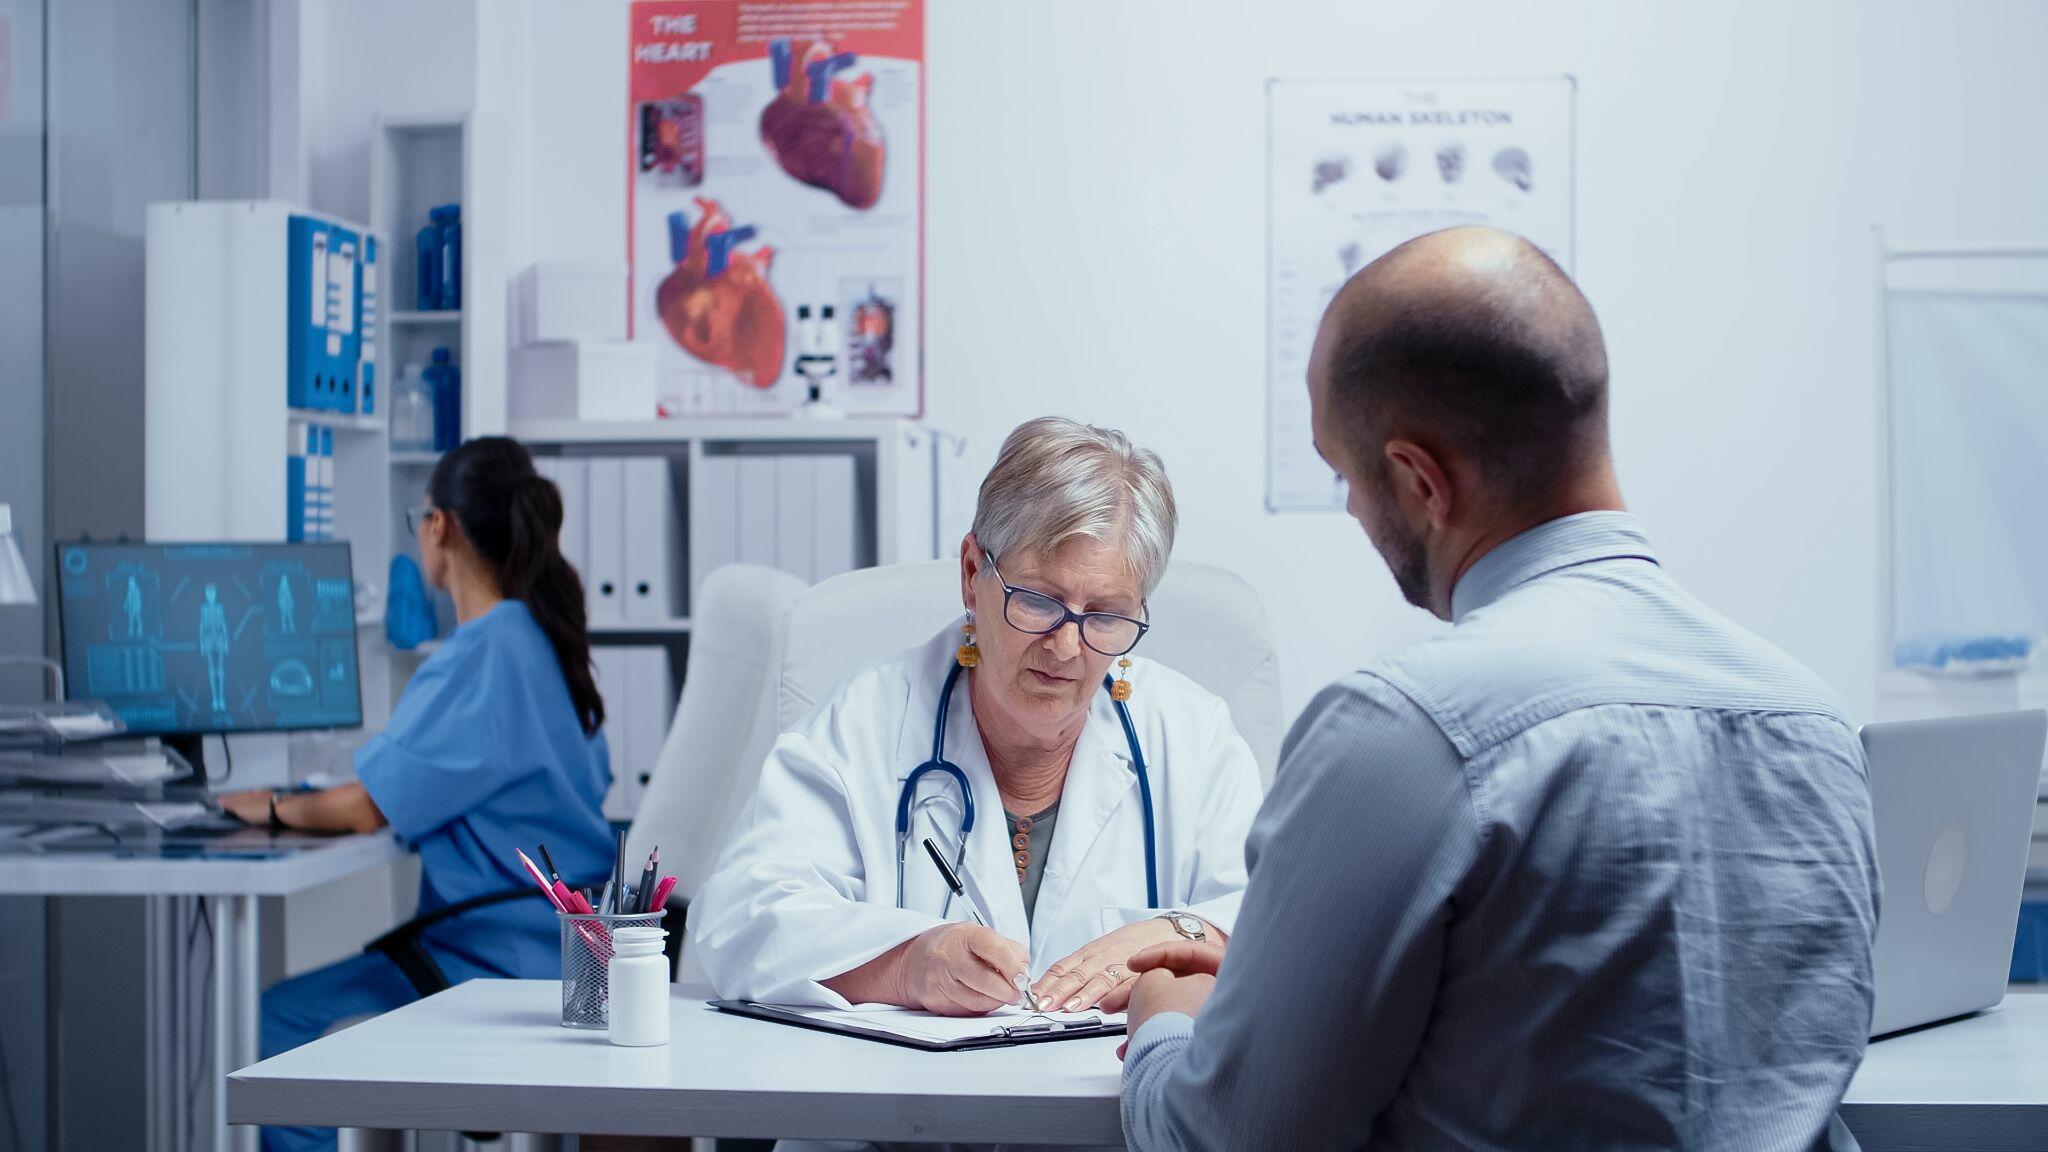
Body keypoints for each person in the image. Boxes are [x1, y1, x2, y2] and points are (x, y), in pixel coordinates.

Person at [1119, 227, 1880, 1150]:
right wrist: (1288, 989)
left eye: (1344, 476)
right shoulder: (1812, 721)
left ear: (1418, 480)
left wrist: (1165, 1020)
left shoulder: (1406, 730)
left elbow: (1227, 1140)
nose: (1354, 510)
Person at [692, 417, 1264, 1030]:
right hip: (895, 1116)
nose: (1067, 647)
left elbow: (1279, 921)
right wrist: (907, 964)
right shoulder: (864, 722)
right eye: (1039, 601)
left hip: (1109, 1116)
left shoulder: (1193, 737)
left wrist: (1181, 932)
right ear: (971, 573)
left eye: (1105, 616)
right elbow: (739, 918)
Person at [219, 437, 614, 1152]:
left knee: (262, 1026)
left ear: (441, 527)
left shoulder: (486, 648)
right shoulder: (545, 639)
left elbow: (369, 805)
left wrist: (275, 807)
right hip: (563, 954)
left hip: (491, 956)